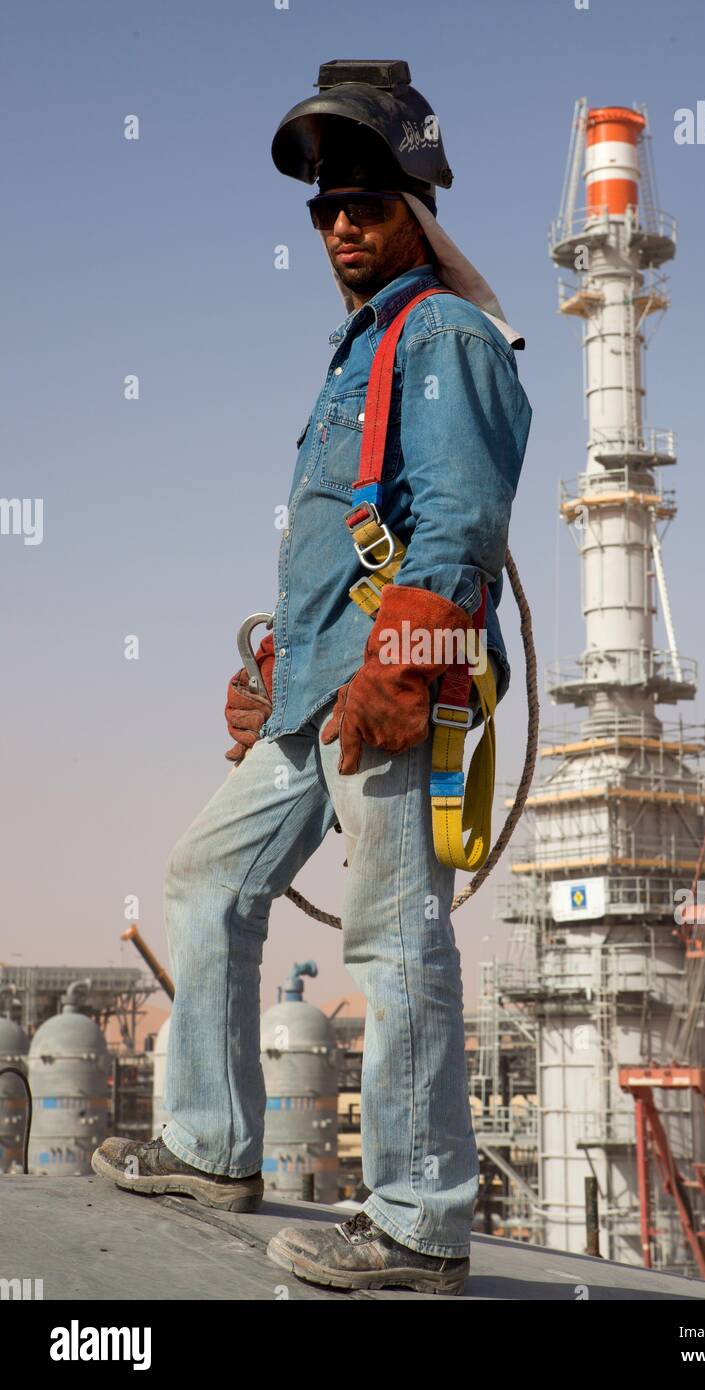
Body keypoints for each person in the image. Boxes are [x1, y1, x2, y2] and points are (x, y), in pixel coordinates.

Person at [91, 59, 531, 1297]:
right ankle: (211, 1145)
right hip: (325, 691)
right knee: (208, 878)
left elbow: (454, 525)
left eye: (368, 200)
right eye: (326, 207)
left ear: (417, 205)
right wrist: (283, 669)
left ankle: (415, 1224)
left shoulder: (440, 333)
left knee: (392, 943)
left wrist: (405, 664)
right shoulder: (363, 349)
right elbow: (360, 539)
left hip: (392, 687)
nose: (342, 223)